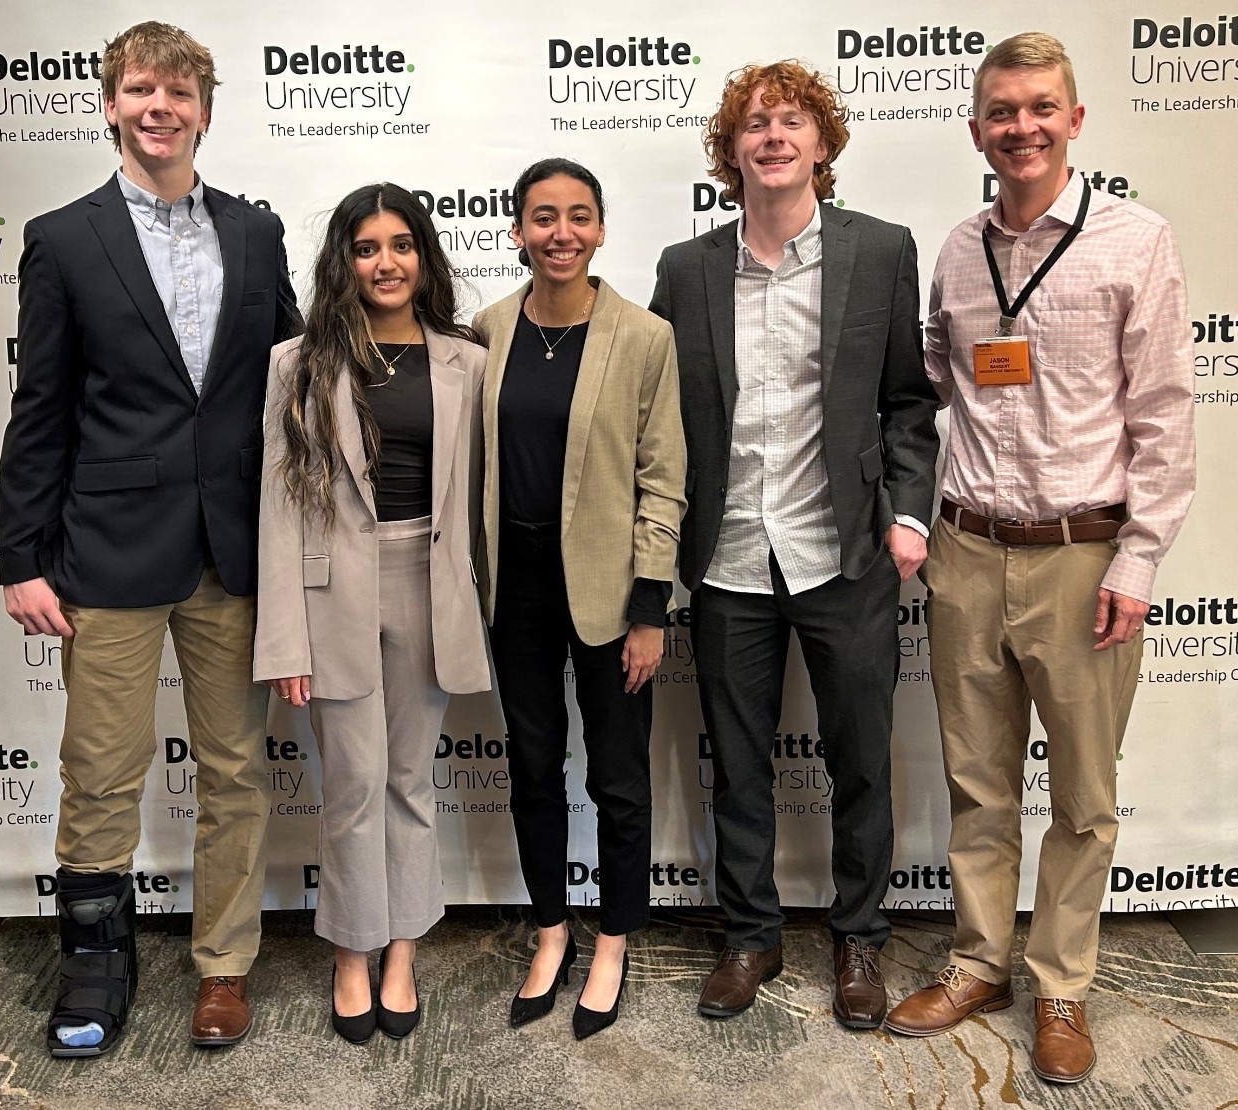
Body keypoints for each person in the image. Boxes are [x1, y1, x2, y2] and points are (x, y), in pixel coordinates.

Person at [883, 33, 1196, 1083]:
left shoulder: (1132, 240)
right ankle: (978, 959)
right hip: (968, 549)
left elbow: (1160, 414)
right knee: (975, 782)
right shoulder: (956, 249)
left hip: (1083, 555)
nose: (1019, 126)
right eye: (1000, 111)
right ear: (975, 129)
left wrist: (1138, 560)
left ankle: (1059, 981)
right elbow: (934, 385)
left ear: (1071, 120)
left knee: (1080, 796)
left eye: (1038, 107)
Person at [0, 21, 301, 1056]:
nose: (159, 107)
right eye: (139, 90)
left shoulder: (257, 235)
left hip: (233, 551)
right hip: (109, 550)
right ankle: (94, 968)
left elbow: (294, 390)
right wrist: (19, 557)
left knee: (235, 771)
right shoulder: (63, 236)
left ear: (205, 110)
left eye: (178, 92)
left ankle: (223, 968)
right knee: (101, 772)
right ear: (112, 106)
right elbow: (40, 408)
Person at [650, 60, 940, 1029]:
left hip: (845, 552)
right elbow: (660, 422)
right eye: (753, 124)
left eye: (791, 120)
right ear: (730, 153)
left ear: (822, 144)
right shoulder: (686, 271)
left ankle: (858, 939)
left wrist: (907, 511)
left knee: (860, 754)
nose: (772, 135)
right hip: (728, 556)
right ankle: (750, 934)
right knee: (737, 760)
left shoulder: (881, 252)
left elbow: (907, 404)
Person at [253, 184, 490, 1044]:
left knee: (408, 781)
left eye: (400, 245)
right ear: (343, 261)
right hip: (332, 594)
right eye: (365, 247)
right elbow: (278, 510)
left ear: (422, 256)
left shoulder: (468, 360)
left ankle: (401, 949)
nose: (385, 262)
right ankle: (350, 952)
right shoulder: (297, 362)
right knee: (350, 786)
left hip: (433, 583)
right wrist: (284, 634)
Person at [473, 157, 686, 1040]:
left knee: (618, 777)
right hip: (512, 592)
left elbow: (664, 479)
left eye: (579, 216)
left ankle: (615, 939)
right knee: (532, 768)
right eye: (543, 216)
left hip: (609, 596)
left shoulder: (644, 337)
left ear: (601, 230)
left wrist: (648, 611)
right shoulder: (486, 329)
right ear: (518, 229)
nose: (561, 232)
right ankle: (553, 930)